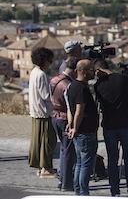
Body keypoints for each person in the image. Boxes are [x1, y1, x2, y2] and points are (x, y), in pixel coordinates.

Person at [94, 58, 128, 198]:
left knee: (112, 160)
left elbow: (98, 105)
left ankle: (115, 191)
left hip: (109, 126)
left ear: (98, 70)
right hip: (126, 124)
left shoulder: (98, 85)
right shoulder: (124, 79)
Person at [66, 59, 99, 196]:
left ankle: (78, 191)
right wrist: (74, 127)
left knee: (79, 163)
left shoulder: (72, 86)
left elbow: (70, 108)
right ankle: (83, 193)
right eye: (91, 70)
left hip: (79, 131)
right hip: (85, 132)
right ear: (84, 72)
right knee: (85, 164)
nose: (94, 72)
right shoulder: (81, 88)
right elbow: (79, 109)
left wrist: (71, 124)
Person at [28, 47, 58, 178]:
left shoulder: (34, 72)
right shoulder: (41, 75)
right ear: (44, 60)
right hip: (43, 112)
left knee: (39, 141)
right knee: (48, 141)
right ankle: (46, 168)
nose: (50, 62)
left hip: (36, 112)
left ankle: (41, 167)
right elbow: (46, 96)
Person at [50, 58, 77, 190]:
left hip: (54, 116)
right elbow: (70, 106)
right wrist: (72, 123)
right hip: (65, 119)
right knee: (68, 152)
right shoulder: (68, 84)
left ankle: (63, 179)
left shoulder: (54, 80)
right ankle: (67, 183)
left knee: (63, 149)